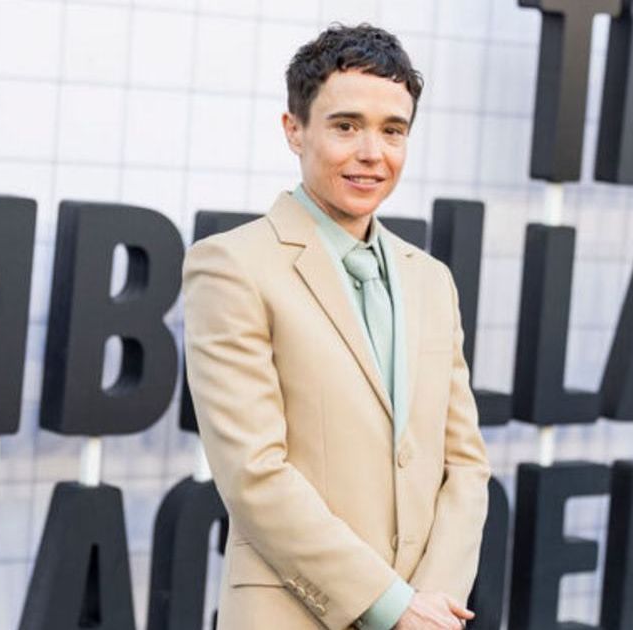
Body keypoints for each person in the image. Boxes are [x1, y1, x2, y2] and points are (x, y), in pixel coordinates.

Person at [182, 23, 491, 630]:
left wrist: (432, 603)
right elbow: (254, 474)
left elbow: (465, 465)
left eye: (393, 130)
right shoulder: (231, 266)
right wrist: (393, 606)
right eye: (346, 126)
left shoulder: (432, 280)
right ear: (293, 129)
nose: (373, 152)